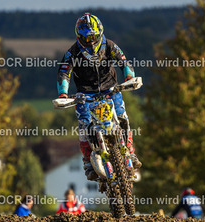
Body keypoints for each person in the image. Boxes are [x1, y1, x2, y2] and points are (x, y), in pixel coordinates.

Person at [57, 12, 142, 181]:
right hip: (84, 94)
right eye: (86, 38)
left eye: (93, 37)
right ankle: (88, 161)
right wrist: (63, 94)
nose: (90, 42)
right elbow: (64, 73)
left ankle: (130, 152)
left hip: (110, 89)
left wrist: (129, 77)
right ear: (79, 37)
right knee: (84, 125)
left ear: (100, 33)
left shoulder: (109, 45)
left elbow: (123, 61)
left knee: (122, 117)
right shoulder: (72, 53)